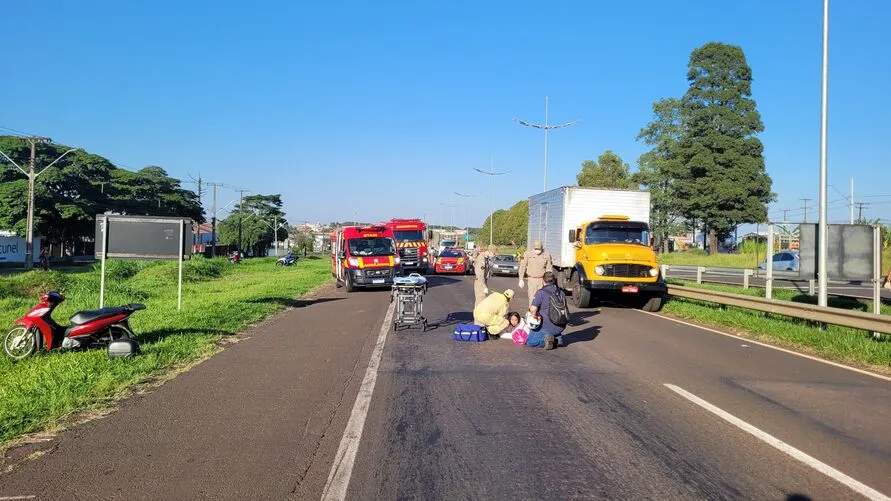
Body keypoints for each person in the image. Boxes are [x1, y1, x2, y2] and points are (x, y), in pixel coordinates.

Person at [525, 271, 568, 350]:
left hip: (546, 327)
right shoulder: (561, 292)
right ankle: (558, 337)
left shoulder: (541, 292)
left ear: (543, 280)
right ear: (554, 280)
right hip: (561, 325)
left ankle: (550, 340)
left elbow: (533, 310)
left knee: (530, 341)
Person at [518, 240, 554, 307]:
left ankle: (541, 315)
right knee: (532, 299)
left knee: (543, 298)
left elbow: (549, 269)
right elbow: (522, 266)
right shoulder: (527, 254)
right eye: (536, 249)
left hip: (542, 280)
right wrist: (521, 279)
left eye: (539, 249)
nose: (537, 250)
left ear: (542, 248)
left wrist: (549, 281)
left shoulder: (546, 255)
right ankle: (532, 314)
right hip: (532, 280)